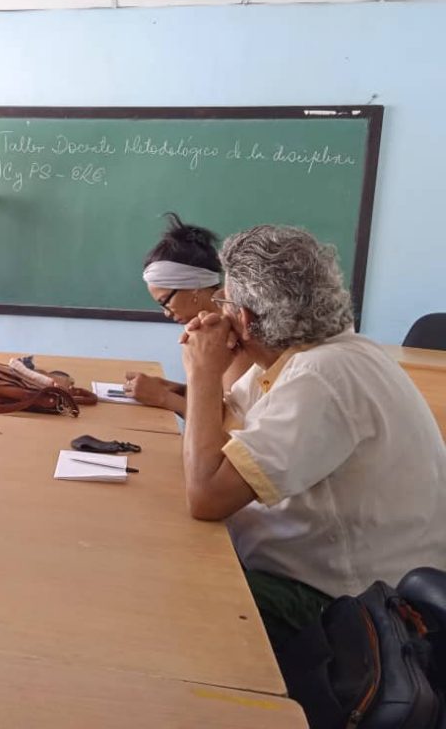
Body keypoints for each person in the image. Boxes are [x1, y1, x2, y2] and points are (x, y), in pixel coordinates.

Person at [179, 224, 446, 648]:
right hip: (324, 578)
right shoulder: (320, 355)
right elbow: (224, 426)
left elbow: (207, 496)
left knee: (179, 592)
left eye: (224, 302)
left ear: (245, 318)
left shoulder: (322, 375)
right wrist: (212, 373)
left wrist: (201, 372)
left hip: (352, 605)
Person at [123, 213, 251, 415]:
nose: (166, 313)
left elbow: (233, 425)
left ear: (193, 288)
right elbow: (219, 398)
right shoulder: (211, 328)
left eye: (165, 301)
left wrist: (164, 398)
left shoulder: (236, 335)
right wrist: (175, 389)